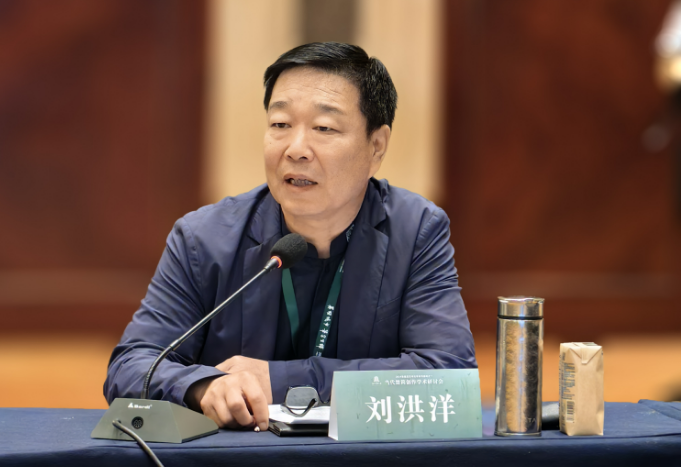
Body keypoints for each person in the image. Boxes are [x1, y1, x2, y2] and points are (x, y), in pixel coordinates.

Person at [104, 42, 476, 432]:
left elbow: (450, 375)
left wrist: (280, 380)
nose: (296, 149)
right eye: (280, 125)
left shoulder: (415, 232)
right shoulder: (204, 239)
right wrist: (201, 386)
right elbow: (131, 365)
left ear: (376, 146)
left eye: (324, 128)